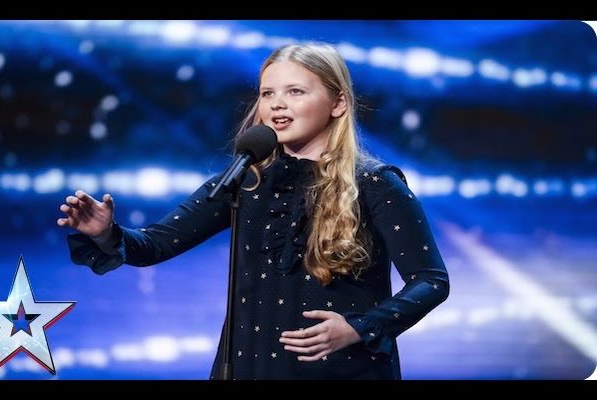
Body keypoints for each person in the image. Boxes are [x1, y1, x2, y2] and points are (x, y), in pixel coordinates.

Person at [57, 42, 449, 380]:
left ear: (338, 103)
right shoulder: (245, 182)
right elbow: (155, 245)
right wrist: (107, 233)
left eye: (295, 91)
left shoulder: (375, 184)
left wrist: (360, 328)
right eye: (267, 93)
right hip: (250, 365)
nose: (277, 103)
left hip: (341, 368)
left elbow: (430, 280)